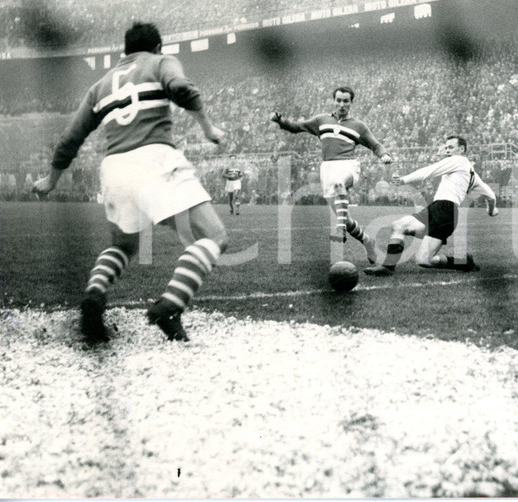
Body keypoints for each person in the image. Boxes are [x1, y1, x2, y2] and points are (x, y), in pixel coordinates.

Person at [32, 22, 228, 342]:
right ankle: (170, 306)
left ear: (125, 50)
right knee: (214, 236)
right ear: (158, 47)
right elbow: (181, 89)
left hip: (115, 169)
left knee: (123, 244)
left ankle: (94, 296)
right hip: (154, 159)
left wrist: (51, 180)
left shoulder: (100, 85)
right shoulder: (160, 62)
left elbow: (70, 138)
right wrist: (207, 126)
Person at [271, 86, 392, 263]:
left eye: (346, 101)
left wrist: (384, 155)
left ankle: (339, 229)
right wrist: (281, 122)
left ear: (351, 103)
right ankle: (367, 241)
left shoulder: (358, 126)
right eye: (339, 100)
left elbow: (375, 145)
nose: (342, 104)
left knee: (339, 184)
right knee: (347, 219)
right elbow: (297, 127)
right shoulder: (321, 120)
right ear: (334, 101)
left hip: (348, 166)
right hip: (327, 169)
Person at [364, 135, 498, 276]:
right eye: (446, 147)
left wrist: (404, 179)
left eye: (451, 147)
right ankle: (388, 267)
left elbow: (429, 171)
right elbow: (491, 195)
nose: (447, 150)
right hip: (435, 208)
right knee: (399, 225)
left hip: (446, 213)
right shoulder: (472, 174)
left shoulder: (459, 160)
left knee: (424, 260)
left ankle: (463, 262)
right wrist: (491, 210)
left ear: (462, 149)